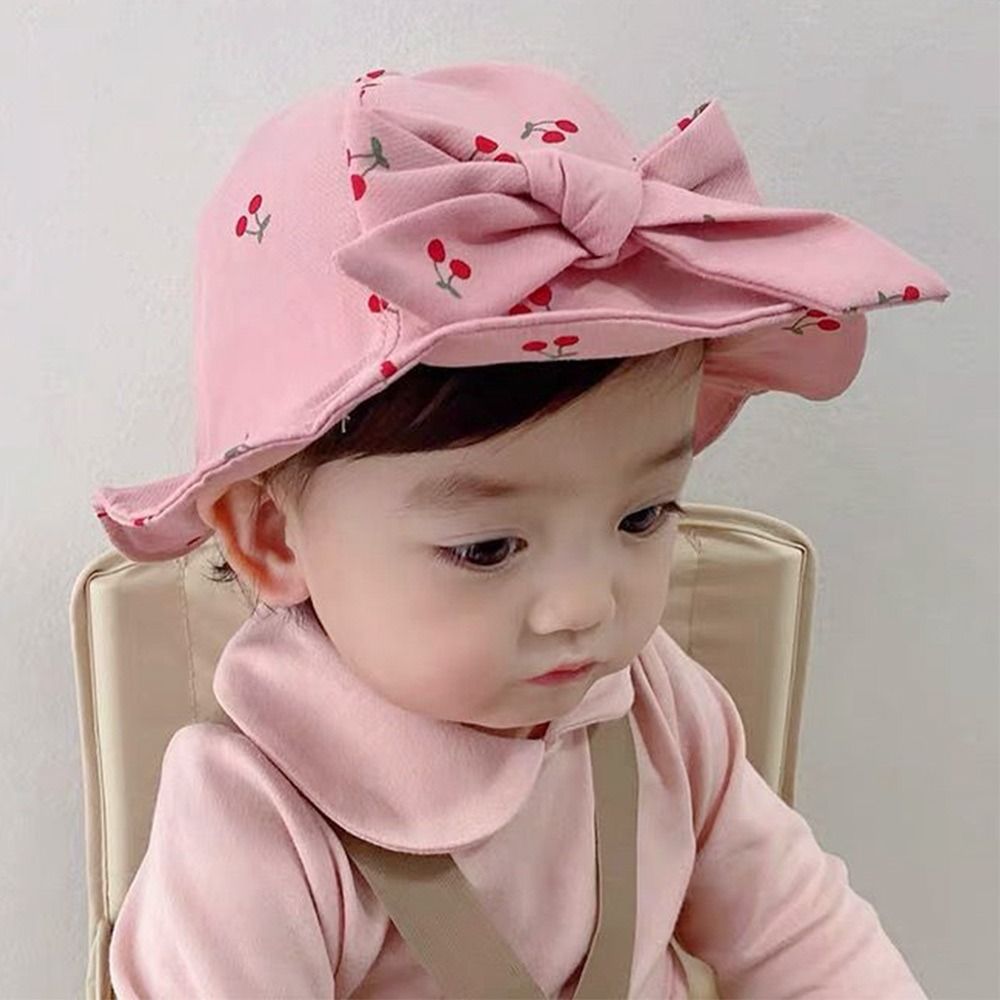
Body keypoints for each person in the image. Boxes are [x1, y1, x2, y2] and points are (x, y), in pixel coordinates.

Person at [92, 60, 949, 997]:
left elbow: (806, 940)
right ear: (272, 537)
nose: (586, 605)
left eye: (642, 515)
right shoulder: (253, 818)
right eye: (488, 548)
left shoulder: (658, 706)